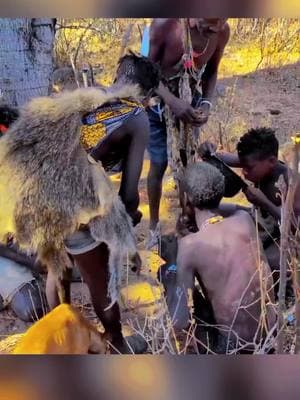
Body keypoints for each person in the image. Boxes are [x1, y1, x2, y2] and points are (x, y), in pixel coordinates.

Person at [43, 52, 161, 354]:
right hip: (74, 195)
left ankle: (59, 332)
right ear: (147, 94)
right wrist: (125, 220)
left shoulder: (87, 93)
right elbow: (130, 194)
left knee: (58, 266)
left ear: (118, 76)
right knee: (99, 278)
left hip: (41, 187)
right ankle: (116, 341)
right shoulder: (136, 116)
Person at [171, 162, 276, 354]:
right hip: (271, 332)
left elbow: (181, 319)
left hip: (235, 345)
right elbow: (234, 208)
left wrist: (174, 268)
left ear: (188, 198)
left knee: (168, 266)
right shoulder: (244, 219)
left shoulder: (189, 246)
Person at [145, 18, 230, 249]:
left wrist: (206, 104)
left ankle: (186, 219)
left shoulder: (221, 32)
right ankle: (153, 225)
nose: (210, 29)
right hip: (157, 105)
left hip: (189, 104)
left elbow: (211, 73)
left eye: (217, 24)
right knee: (159, 163)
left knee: (187, 163)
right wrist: (172, 102)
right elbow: (147, 73)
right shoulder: (164, 25)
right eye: (206, 22)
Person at [199, 127, 300, 300]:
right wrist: (209, 151)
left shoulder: (290, 184)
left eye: (248, 168)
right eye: (242, 166)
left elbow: (295, 228)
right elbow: (223, 158)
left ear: (272, 161)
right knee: (211, 208)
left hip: (285, 238)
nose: (244, 172)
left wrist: (265, 203)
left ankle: (283, 293)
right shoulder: (258, 162)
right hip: (262, 223)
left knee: (265, 265)